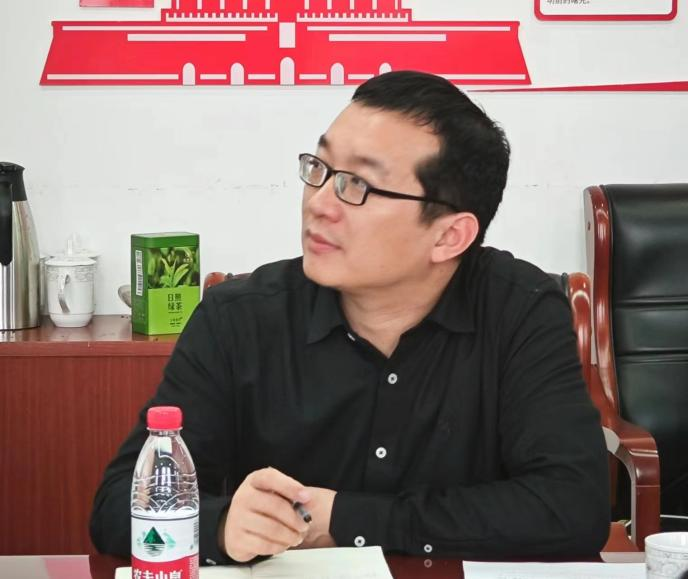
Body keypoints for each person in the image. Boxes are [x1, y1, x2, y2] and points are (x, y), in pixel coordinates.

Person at [91, 70, 610, 564]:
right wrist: (223, 525)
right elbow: (117, 507)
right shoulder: (238, 319)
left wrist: (344, 519)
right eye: (319, 169)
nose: (319, 203)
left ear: (449, 236)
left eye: (358, 185)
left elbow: (573, 506)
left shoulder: (519, 312)